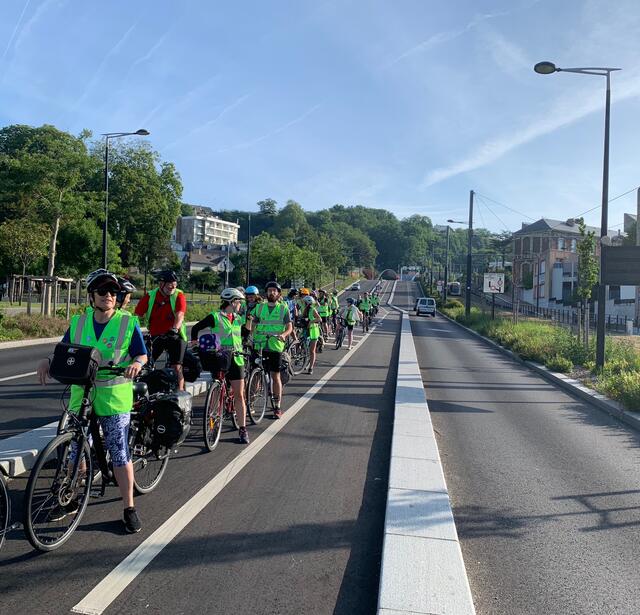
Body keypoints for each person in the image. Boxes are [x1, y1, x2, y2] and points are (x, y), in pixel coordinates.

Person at [36, 270, 148, 534]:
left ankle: (129, 508)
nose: (108, 295)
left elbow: (141, 354)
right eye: (102, 291)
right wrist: (47, 361)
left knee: (119, 452)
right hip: (81, 395)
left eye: (113, 292)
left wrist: (135, 364)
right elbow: (64, 352)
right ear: (92, 296)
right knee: (75, 448)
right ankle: (72, 496)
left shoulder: (126, 323)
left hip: (113, 398)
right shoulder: (79, 322)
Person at [191, 288, 249, 444]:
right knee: (217, 390)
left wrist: (249, 323)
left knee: (239, 394)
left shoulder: (237, 318)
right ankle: (213, 418)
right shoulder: (215, 317)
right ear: (232, 302)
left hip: (237, 359)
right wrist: (195, 342)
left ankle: (242, 429)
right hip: (220, 358)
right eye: (239, 302)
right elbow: (196, 328)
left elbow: (243, 335)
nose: (240, 305)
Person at [134, 270, 187, 391]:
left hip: (175, 336)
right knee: (146, 364)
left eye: (174, 283)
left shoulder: (179, 295)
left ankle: (179, 393)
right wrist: (133, 331)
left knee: (176, 366)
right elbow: (137, 315)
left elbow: (180, 315)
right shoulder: (151, 296)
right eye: (169, 284)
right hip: (156, 335)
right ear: (161, 284)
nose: (172, 286)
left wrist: (174, 328)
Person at [247, 281, 293, 418]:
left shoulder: (283, 308)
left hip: (275, 346)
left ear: (279, 294)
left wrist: (284, 335)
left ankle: (277, 406)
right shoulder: (260, 307)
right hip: (259, 345)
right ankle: (252, 403)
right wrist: (248, 334)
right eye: (269, 290)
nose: (271, 292)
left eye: (274, 291)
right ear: (266, 293)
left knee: (275, 376)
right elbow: (252, 323)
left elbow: (289, 327)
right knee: (255, 376)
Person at [301, 295, 322, 374]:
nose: (303, 303)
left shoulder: (312, 310)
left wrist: (311, 321)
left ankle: (311, 367)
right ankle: (306, 361)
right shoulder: (304, 310)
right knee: (304, 348)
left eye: (304, 302)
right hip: (306, 330)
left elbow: (319, 319)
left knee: (312, 350)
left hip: (313, 332)